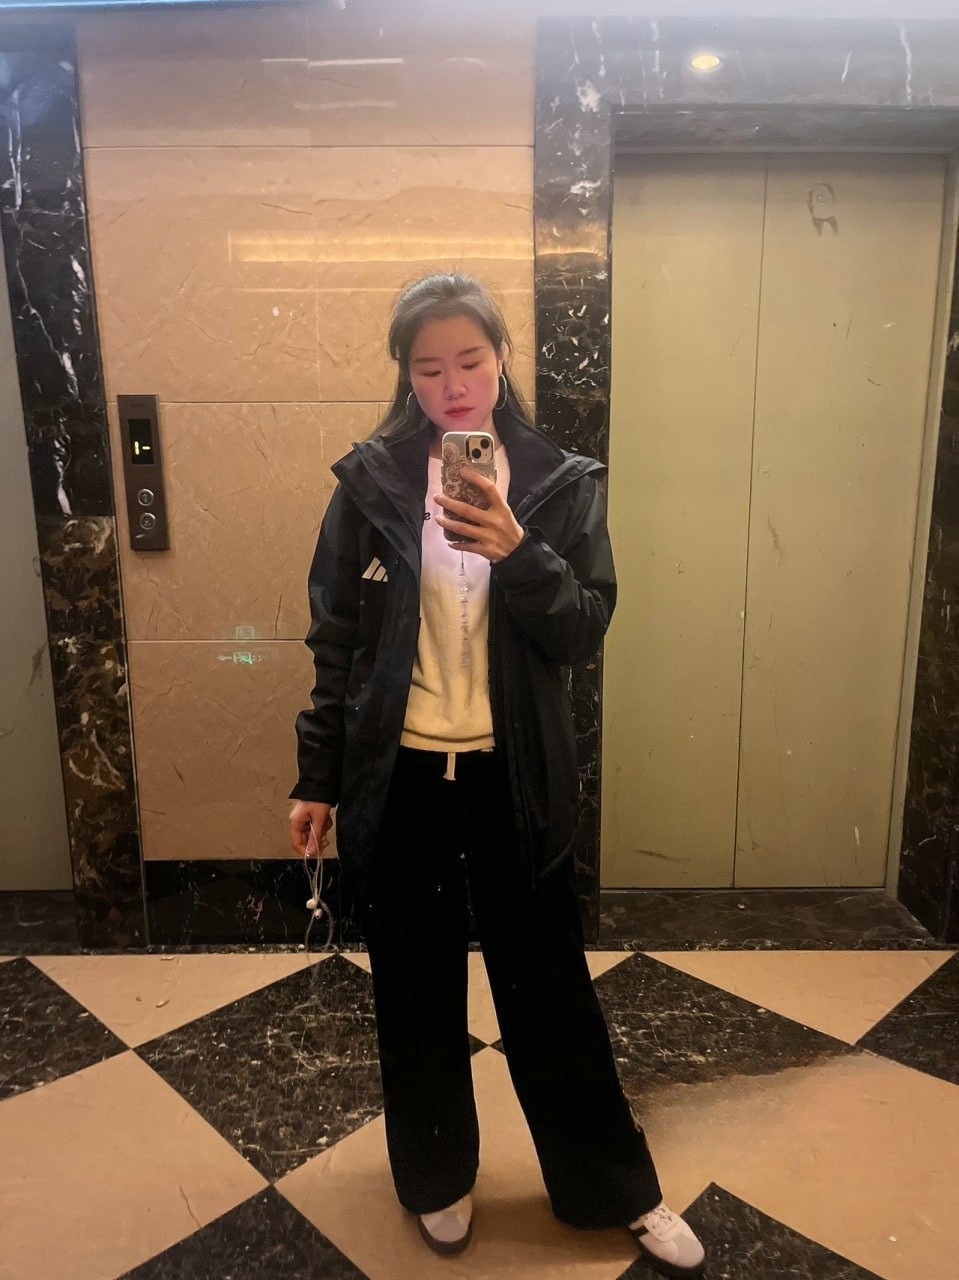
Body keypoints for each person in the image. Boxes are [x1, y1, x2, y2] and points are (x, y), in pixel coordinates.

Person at [288, 273, 706, 1278]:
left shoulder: (559, 482)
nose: (452, 385)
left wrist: (517, 549)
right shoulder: (371, 485)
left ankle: (614, 1185)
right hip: (401, 778)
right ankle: (436, 1176)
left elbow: (581, 630)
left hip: (510, 778)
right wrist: (317, 777)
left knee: (548, 988)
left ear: (502, 357)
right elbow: (335, 641)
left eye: (469, 361)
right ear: (406, 375)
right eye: (428, 367)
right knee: (414, 989)